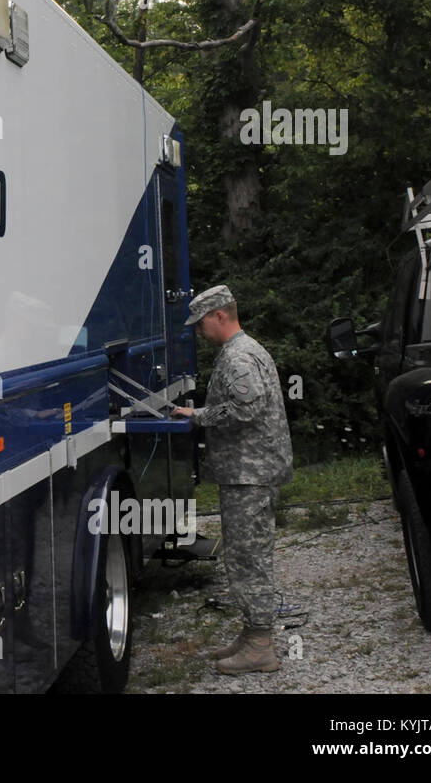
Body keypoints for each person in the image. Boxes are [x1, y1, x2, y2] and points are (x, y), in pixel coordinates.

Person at [171, 285, 293, 675]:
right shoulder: (241, 350)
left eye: (201, 322)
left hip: (249, 473)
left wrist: (198, 417)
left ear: (220, 315)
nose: (199, 331)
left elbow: (248, 409)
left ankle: (260, 645)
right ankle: (252, 633)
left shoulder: (239, 356)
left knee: (247, 558)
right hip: (248, 471)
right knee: (245, 553)